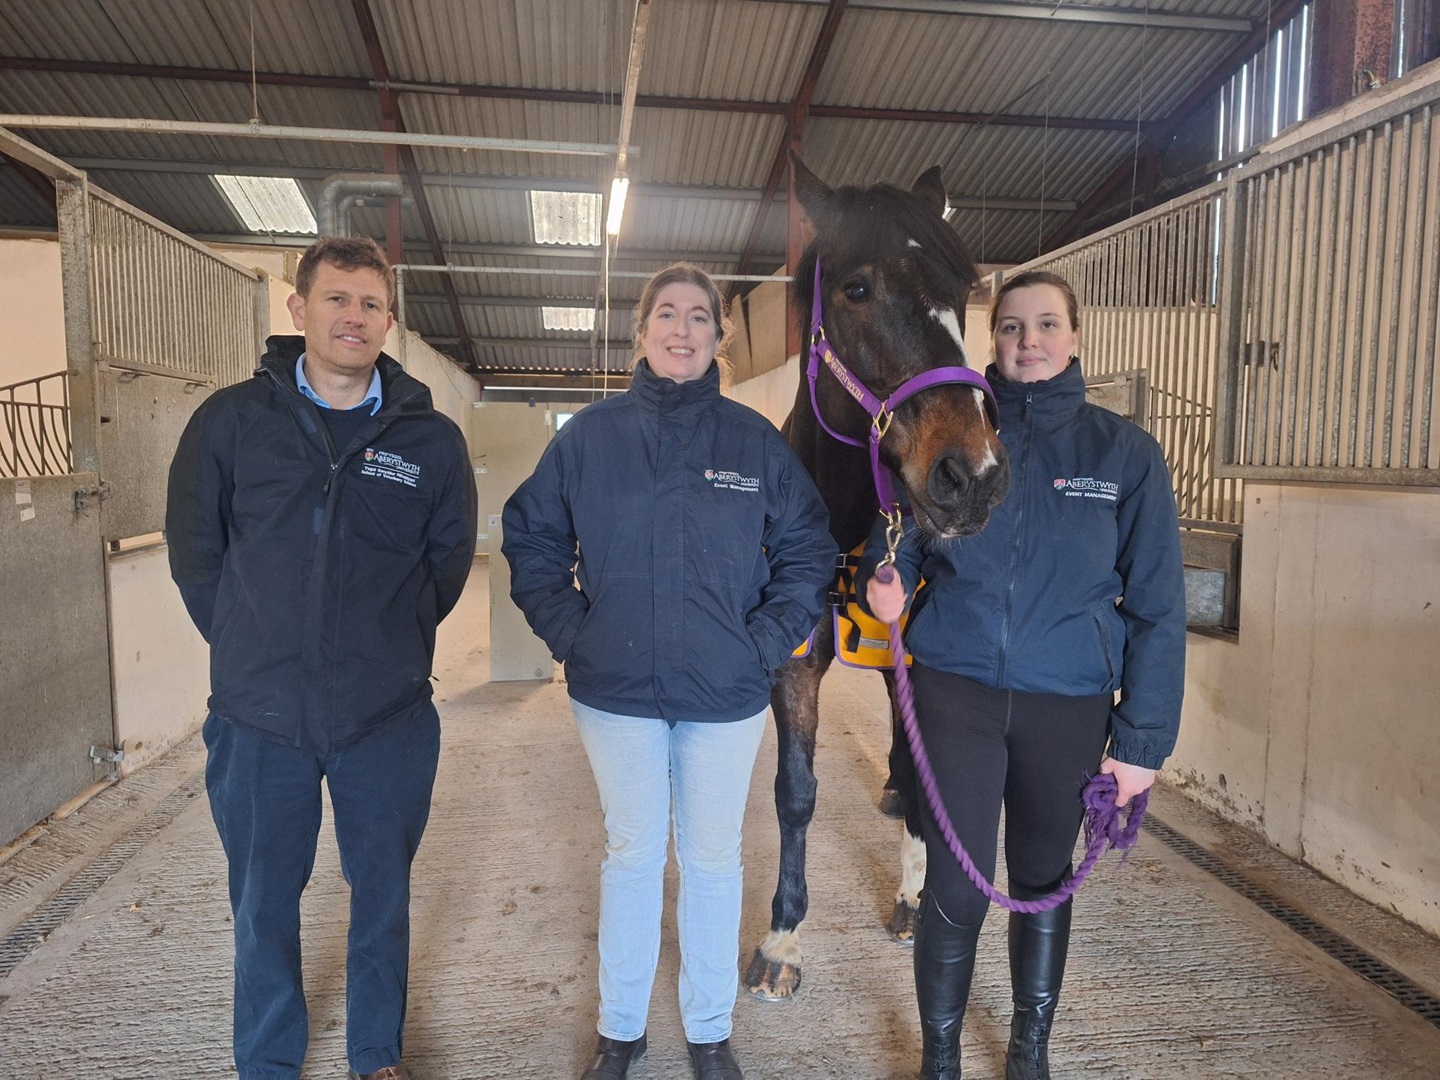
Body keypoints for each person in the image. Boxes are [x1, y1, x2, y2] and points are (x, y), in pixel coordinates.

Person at [502, 264, 833, 1080]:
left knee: (714, 860)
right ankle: (621, 1032)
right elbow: (531, 540)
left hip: (723, 696)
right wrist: (575, 635)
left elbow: (809, 551)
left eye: (697, 317)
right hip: (614, 695)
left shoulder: (754, 442)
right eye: (666, 314)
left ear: (718, 337)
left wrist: (762, 645)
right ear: (642, 330)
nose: (681, 329)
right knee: (632, 855)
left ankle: (710, 1032)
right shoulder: (587, 438)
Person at [861, 270, 1186, 1080]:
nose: (1028, 340)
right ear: (991, 341)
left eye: (1045, 325)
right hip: (956, 690)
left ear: (1074, 338)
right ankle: (941, 1055)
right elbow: (897, 531)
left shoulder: (1125, 455)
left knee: (1044, 876)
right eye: (1010, 327)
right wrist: (884, 573)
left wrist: (1142, 740)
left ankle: (1028, 1051)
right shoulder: (953, 429)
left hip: (1068, 703)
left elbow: (1157, 607)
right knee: (957, 884)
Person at [166, 236, 477, 1080]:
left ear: (389, 320)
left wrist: (391, 647)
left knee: (382, 897)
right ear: (298, 310)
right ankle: (268, 1059)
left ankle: (376, 1052)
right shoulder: (229, 423)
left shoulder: (432, 441)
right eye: (336, 299)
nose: (354, 316)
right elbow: (196, 555)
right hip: (258, 718)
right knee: (263, 900)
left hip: (387, 715)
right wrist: (247, 643)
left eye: (371, 303)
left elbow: (446, 566)